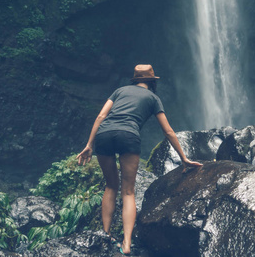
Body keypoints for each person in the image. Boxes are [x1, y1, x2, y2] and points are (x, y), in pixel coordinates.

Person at [76, 64, 203, 255]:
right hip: (128, 136)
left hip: (104, 134)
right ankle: (126, 244)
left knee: (111, 186)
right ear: (152, 81)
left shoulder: (119, 91)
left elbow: (101, 115)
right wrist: (183, 157)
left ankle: (105, 234)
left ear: (135, 80)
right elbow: (167, 131)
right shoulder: (153, 98)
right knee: (128, 192)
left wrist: (89, 145)